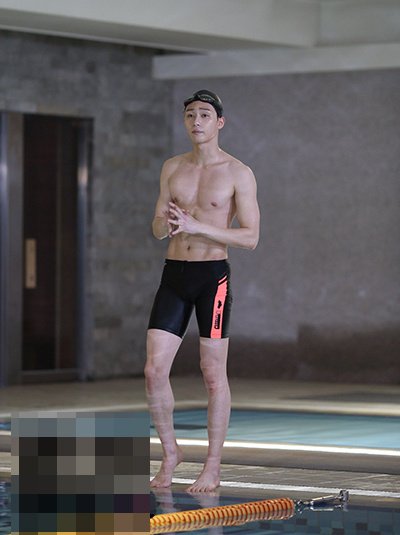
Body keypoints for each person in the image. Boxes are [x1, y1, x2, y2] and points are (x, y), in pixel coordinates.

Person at [145, 89, 260, 492]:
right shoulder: (172, 167)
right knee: (153, 370)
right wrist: (166, 223)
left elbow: (250, 237)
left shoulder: (238, 172)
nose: (197, 121)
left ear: (219, 122)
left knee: (212, 374)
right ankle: (170, 453)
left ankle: (212, 465)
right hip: (174, 274)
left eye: (205, 115)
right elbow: (156, 227)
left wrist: (199, 227)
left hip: (213, 278)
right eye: (190, 114)